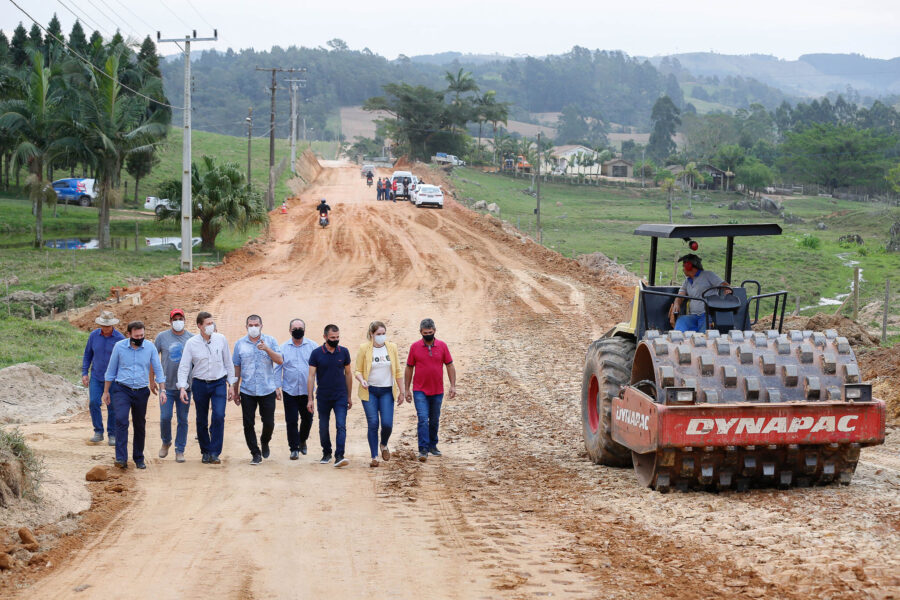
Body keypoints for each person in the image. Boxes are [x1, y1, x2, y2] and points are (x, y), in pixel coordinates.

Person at [102, 321, 165, 470]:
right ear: (129, 334)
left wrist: (163, 390)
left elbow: (158, 369)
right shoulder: (119, 347)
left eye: (142, 335)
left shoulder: (150, 347)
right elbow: (111, 371)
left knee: (139, 424)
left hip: (141, 391)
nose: (139, 338)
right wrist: (106, 392)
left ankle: (138, 458)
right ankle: (121, 458)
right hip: (122, 389)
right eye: (136, 336)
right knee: (121, 420)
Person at [176, 312, 236, 465]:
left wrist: (232, 385)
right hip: (200, 383)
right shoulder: (191, 343)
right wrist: (182, 387)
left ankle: (215, 452)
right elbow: (184, 366)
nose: (211, 326)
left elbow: (228, 362)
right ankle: (205, 451)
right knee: (201, 418)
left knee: (218, 415)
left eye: (212, 323)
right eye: (207, 324)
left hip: (218, 383)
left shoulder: (221, 339)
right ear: (199, 326)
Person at [232, 315, 283, 465]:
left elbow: (280, 360)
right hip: (247, 390)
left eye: (256, 324)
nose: (253, 327)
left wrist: (267, 349)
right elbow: (237, 366)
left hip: (267, 388)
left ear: (261, 326)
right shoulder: (240, 344)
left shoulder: (271, 341)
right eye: (250, 325)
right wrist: (235, 389)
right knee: (248, 423)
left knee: (269, 423)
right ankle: (255, 453)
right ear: (246, 326)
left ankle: (265, 440)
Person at [404, 318, 457, 462]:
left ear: (435, 331)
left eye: (430, 332)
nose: (428, 334)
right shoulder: (414, 347)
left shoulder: (442, 346)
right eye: (425, 332)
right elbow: (409, 367)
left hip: (437, 390)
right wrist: (407, 389)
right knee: (422, 419)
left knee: (434, 420)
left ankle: (433, 445)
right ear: (420, 332)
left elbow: (450, 365)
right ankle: (423, 449)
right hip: (419, 390)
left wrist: (453, 385)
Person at [354, 321, 405, 467]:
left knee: (387, 424)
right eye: (378, 334)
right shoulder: (364, 348)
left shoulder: (392, 347)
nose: (381, 337)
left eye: (383, 334)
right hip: (369, 391)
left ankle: (383, 444)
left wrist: (402, 391)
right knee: (373, 423)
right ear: (372, 334)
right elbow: (357, 370)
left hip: (387, 391)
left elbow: (397, 371)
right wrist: (362, 380)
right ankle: (374, 456)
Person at [307, 324, 352, 468]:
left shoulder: (344, 352)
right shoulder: (316, 353)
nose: (336, 340)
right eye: (332, 337)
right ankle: (326, 452)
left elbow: (348, 374)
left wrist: (349, 396)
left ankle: (339, 455)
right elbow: (311, 376)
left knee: (341, 425)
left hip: (340, 396)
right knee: (323, 426)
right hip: (323, 396)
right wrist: (310, 399)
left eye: (338, 337)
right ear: (325, 337)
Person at [154, 309, 194, 463]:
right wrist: (152, 380)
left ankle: (180, 449)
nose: (178, 321)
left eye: (180, 318)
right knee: (165, 417)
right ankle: (166, 441)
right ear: (170, 321)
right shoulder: (162, 337)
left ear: (185, 319)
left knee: (182, 419)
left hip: (186, 387)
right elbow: (153, 358)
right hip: (167, 387)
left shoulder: (191, 338)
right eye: (175, 319)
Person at [275, 318, 318, 460]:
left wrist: (319, 386)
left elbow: (318, 369)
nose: (298, 331)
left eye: (300, 328)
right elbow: (277, 369)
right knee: (291, 420)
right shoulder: (282, 348)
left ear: (305, 330)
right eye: (295, 329)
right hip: (290, 390)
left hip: (307, 392)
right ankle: (294, 449)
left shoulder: (313, 347)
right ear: (290, 331)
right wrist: (277, 387)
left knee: (308, 419)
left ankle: (302, 440)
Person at [81, 310, 125, 445]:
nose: (105, 328)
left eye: (108, 326)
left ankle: (112, 434)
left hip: (113, 379)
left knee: (112, 406)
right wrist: (84, 373)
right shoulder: (93, 336)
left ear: (112, 325)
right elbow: (87, 354)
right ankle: (98, 431)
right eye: (103, 325)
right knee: (94, 402)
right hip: (96, 376)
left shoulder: (120, 339)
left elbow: (124, 359)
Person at [668, 254, 731, 333]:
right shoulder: (687, 281)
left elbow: (725, 285)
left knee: (703, 336)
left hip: (707, 315)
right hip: (693, 316)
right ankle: (677, 339)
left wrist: (726, 289)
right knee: (682, 320)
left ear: (689, 266)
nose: (683, 269)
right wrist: (677, 303)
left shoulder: (708, 275)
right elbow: (680, 295)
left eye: (683, 266)